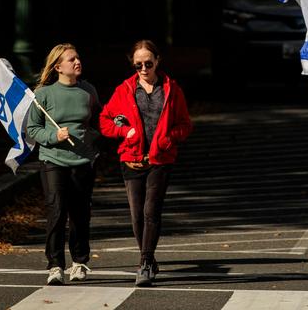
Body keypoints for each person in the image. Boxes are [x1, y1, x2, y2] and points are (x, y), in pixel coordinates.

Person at [99, 40, 192, 287]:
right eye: (138, 64)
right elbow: (106, 121)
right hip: (131, 160)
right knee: (136, 216)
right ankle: (147, 256)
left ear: (157, 61)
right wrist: (124, 132)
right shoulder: (124, 90)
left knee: (151, 211)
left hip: (160, 159)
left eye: (148, 63)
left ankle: (145, 263)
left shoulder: (172, 89)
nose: (143, 68)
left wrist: (168, 138)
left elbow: (185, 124)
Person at [26, 43, 102, 285]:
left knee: (80, 214)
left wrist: (92, 141)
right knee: (57, 211)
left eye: (78, 58)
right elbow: (32, 129)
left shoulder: (88, 90)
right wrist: (53, 137)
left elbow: (99, 122)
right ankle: (55, 265)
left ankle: (79, 262)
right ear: (58, 66)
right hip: (52, 160)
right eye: (72, 59)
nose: (77, 62)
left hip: (82, 161)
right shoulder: (43, 95)